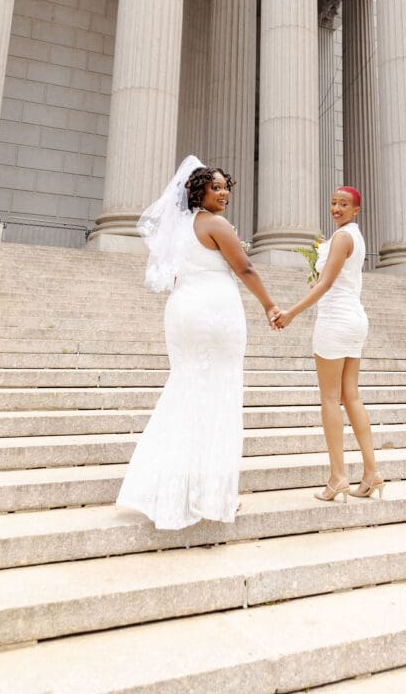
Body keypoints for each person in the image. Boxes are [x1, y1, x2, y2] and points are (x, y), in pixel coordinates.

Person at [116, 155, 281, 530]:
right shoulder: (216, 224)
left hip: (183, 310)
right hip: (214, 313)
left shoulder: (181, 227)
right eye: (216, 187)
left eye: (226, 187)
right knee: (218, 393)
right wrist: (269, 304)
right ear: (198, 191)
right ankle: (209, 494)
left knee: (186, 391)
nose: (223, 193)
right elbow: (245, 268)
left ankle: (172, 487)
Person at [276, 186, 383, 503]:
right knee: (352, 396)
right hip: (355, 320)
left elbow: (325, 283)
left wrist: (291, 312)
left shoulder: (341, 238)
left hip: (336, 320)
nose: (336, 208)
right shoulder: (356, 237)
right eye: (334, 203)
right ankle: (371, 472)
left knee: (330, 398)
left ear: (356, 209)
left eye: (344, 204)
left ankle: (338, 477)